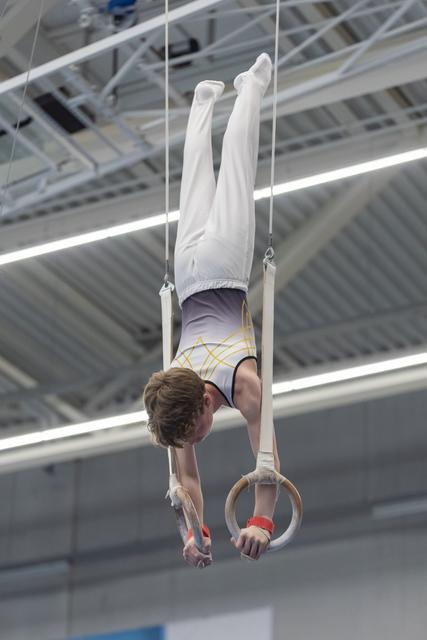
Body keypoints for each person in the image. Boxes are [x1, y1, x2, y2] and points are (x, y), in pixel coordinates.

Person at [143, 53, 280, 568]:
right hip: (186, 278)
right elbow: (189, 482)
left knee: (237, 171)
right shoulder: (174, 393)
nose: (197, 440)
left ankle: (252, 86)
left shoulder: (240, 383)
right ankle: (203, 103)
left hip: (223, 268)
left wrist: (262, 522)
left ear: (206, 401)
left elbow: (266, 461)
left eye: (198, 431)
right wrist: (194, 531)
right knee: (195, 186)